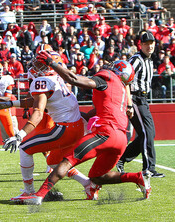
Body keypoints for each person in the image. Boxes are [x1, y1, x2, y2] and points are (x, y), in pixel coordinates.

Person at [19, 51, 152, 205]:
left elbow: (73, 79)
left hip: (105, 133)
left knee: (66, 162)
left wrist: (51, 62)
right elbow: (97, 111)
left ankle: (38, 195)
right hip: (122, 138)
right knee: (97, 176)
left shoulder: (107, 77)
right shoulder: (121, 90)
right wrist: (77, 116)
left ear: (116, 70)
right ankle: (137, 177)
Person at [0, 51, 91, 201]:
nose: (35, 67)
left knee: (24, 148)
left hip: (65, 127)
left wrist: (20, 135)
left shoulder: (43, 81)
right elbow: (35, 101)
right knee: (53, 161)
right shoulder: (57, 78)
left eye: (40, 64)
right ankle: (88, 183)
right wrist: (9, 103)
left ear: (50, 66)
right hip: (77, 126)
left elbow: (38, 112)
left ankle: (28, 192)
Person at [116, 31, 165, 178]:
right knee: (146, 133)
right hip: (135, 99)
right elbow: (124, 79)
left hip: (143, 100)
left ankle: (122, 159)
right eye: (146, 44)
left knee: (149, 134)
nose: (149, 46)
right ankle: (149, 169)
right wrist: (129, 104)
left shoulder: (150, 60)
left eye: (151, 43)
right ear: (141, 45)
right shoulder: (136, 59)